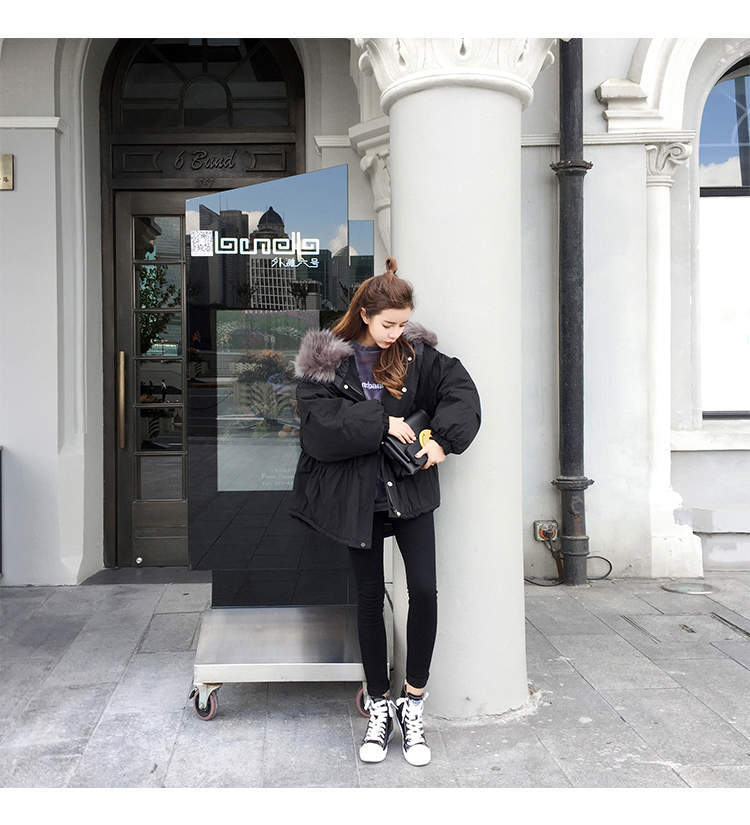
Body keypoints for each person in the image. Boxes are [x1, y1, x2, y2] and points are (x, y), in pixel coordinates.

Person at [289, 257, 481, 766]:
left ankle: (412, 704)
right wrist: (380, 423)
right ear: (365, 315)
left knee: (424, 591)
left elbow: (461, 392)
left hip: (410, 490)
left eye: (403, 323)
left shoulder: (418, 356)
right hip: (360, 498)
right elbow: (318, 428)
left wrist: (441, 443)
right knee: (370, 598)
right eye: (388, 324)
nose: (397, 333)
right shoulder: (329, 363)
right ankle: (378, 704)